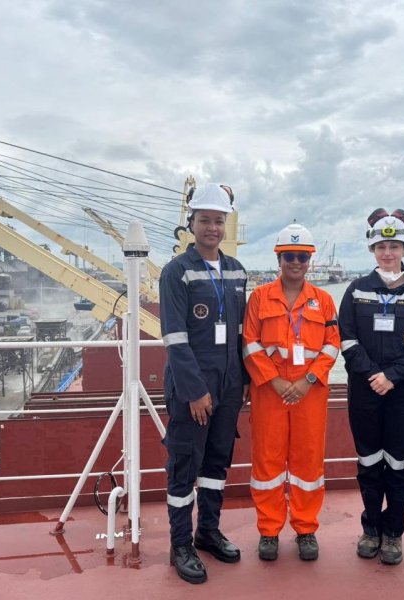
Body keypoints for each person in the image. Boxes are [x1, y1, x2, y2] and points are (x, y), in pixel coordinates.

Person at [159, 183, 249, 585]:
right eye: (205, 220)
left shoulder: (236, 271)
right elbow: (174, 337)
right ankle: (181, 544)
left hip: (229, 385)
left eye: (218, 221)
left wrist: (242, 380)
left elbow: (240, 334)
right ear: (191, 223)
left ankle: (207, 531)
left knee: (216, 463)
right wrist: (195, 391)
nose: (212, 228)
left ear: (225, 225)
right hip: (191, 387)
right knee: (184, 466)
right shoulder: (176, 271)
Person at [338, 208, 404, 565]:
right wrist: (371, 375)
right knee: (368, 463)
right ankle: (371, 528)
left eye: (394, 245)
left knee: (399, 465)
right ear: (372, 250)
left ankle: (393, 533)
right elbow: (346, 339)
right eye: (381, 246)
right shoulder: (356, 290)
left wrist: (392, 375)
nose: (388, 252)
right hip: (365, 393)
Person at [242, 222, 340, 562]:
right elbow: (249, 344)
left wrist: (307, 381)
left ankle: (305, 529)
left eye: (301, 256)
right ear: (278, 259)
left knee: (307, 462)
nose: (295, 262)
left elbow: (332, 346)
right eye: (289, 256)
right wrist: (274, 380)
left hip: (309, 393)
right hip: (270, 392)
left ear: (309, 260)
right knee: (267, 462)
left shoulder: (324, 301)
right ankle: (269, 531)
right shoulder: (259, 298)